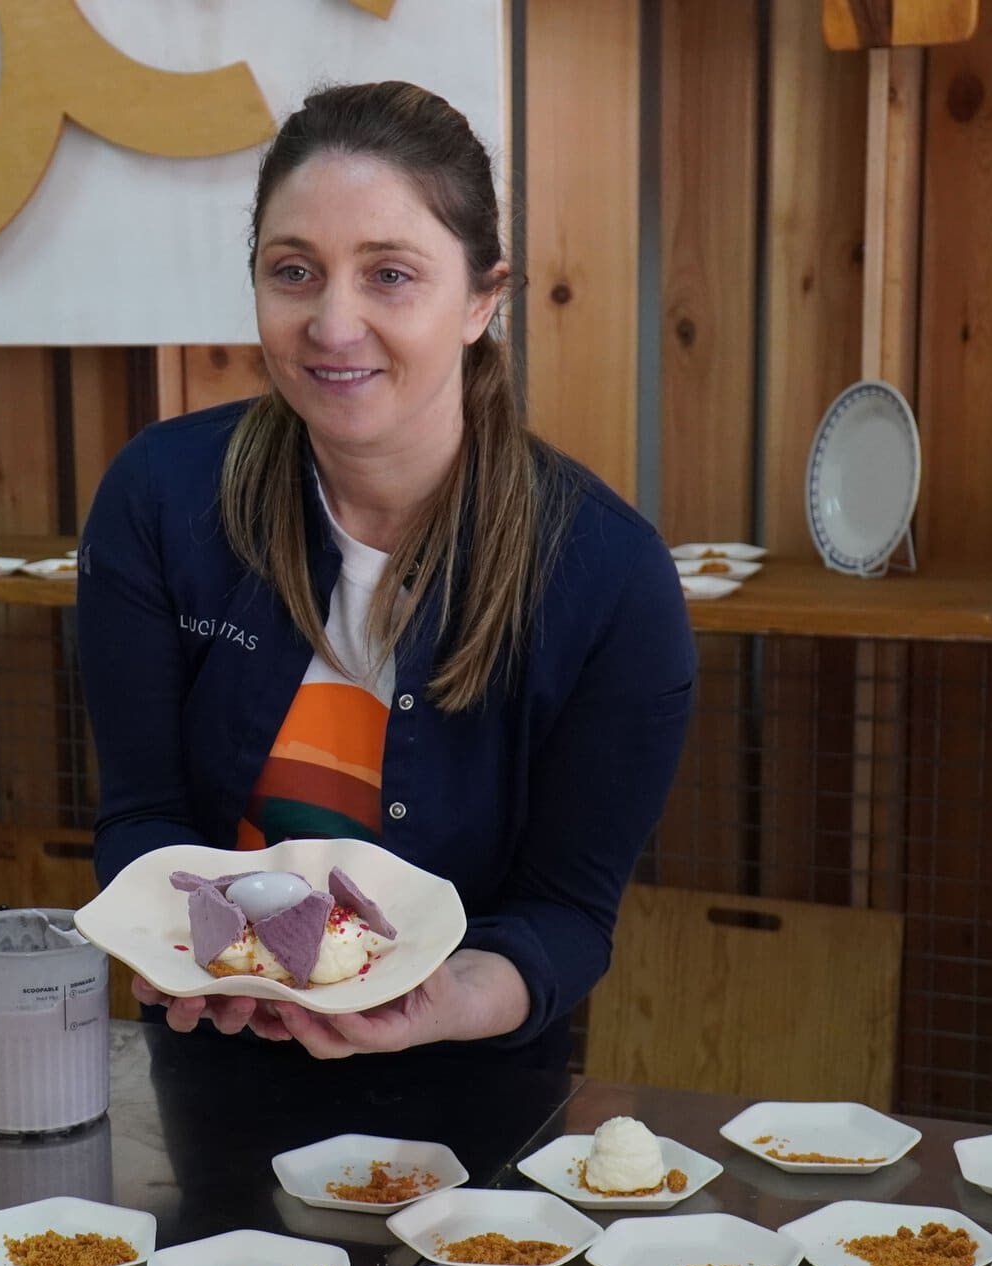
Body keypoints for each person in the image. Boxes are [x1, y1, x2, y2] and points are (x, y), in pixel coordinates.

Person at [77, 81, 695, 1069]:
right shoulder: (161, 500)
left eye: (390, 275)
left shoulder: (608, 577)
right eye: (294, 271)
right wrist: (185, 955)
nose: (333, 323)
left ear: (482, 299)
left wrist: (446, 1002)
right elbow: (143, 817)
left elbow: (566, 916)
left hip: (471, 1095)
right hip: (211, 1067)